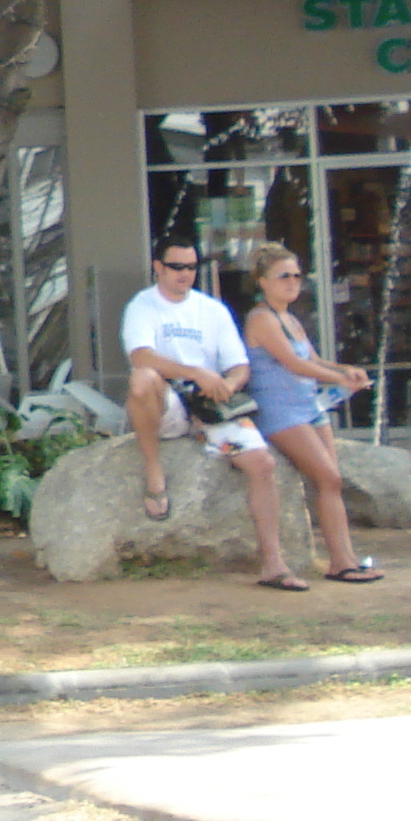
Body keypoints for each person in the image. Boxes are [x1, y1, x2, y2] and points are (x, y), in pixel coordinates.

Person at [122, 237, 302, 588]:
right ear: (158, 267)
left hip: (212, 404)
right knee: (141, 380)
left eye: (191, 267)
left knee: (262, 464)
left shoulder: (212, 310)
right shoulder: (142, 306)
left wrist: (227, 386)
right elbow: (140, 357)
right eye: (176, 267)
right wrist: (195, 373)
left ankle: (273, 563)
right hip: (171, 401)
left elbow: (239, 366)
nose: (184, 274)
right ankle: (154, 469)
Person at [242, 242, 380, 585]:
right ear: (262, 281)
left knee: (332, 481)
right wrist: (340, 380)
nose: (292, 282)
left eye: (296, 276)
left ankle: (342, 559)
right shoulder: (261, 318)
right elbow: (294, 364)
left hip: (308, 407)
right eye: (283, 276)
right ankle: (337, 562)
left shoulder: (291, 317)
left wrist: (345, 370)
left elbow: (314, 360)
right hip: (281, 411)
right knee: (328, 476)